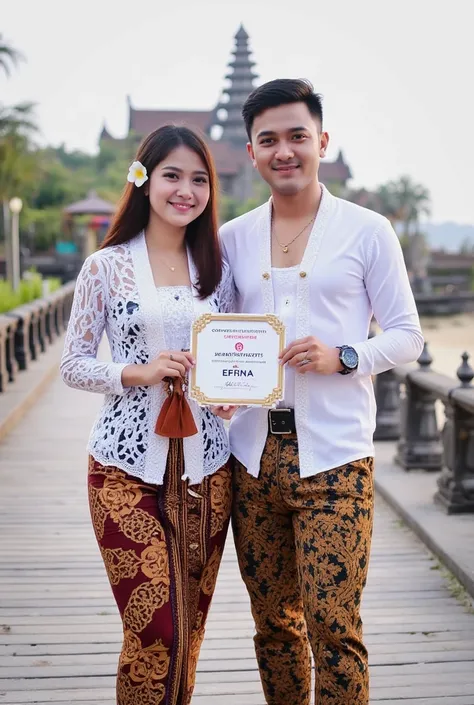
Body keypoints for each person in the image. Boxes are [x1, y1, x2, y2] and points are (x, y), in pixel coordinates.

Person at [217, 79, 424, 705]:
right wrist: (219, 384)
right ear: (251, 152)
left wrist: (346, 356)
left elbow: (408, 336)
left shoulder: (367, 231)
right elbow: (220, 334)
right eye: (269, 140)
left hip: (335, 458)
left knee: (335, 626)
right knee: (273, 627)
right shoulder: (232, 237)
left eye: (297, 137)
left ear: (322, 142)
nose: (285, 151)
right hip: (251, 457)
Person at [60, 125, 234, 705]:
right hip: (122, 465)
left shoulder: (219, 267)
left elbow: (238, 350)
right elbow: (74, 365)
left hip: (207, 466)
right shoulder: (106, 267)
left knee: (188, 630)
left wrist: (236, 389)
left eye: (199, 180)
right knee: (154, 626)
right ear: (144, 179)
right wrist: (138, 371)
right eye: (172, 176)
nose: (186, 190)